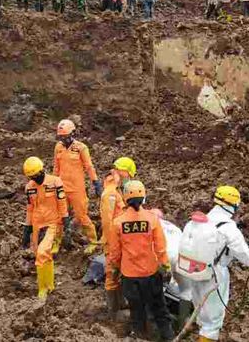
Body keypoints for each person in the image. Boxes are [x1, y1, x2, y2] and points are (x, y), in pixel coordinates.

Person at [186, 186, 249, 341]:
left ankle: (200, 331)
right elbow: (243, 253)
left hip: (194, 269)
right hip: (214, 274)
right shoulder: (228, 227)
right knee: (213, 321)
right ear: (234, 205)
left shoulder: (200, 221)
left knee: (201, 311)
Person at [108, 181, 175, 341]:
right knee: (160, 309)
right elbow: (160, 248)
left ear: (125, 198)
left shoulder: (118, 222)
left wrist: (114, 270)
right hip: (151, 274)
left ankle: (140, 336)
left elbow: (115, 253)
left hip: (130, 276)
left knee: (137, 311)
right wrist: (166, 267)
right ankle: (169, 338)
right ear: (144, 197)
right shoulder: (152, 219)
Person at [22, 156, 68, 300]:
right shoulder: (29, 187)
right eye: (31, 176)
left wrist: (65, 217)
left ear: (42, 170)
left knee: (42, 253)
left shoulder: (55, 182)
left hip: (51, 223)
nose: (35, 178)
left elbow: (61, 201)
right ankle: (49, 285)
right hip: (37, 224)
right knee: (40, 254)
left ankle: (42, 289)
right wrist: (27, 228)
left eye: (36, 175)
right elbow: (30, 208)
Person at [53, 119, 101, 254]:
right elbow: (56, 167)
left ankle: (93, 241)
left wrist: (95, 182)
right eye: (61, 137)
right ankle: (56, 242)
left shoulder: (81, 148)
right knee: (59, 217)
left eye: (65, 136)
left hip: (77, 189)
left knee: (81, 215)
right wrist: (53, 183)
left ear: (72, 134)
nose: (63, 139)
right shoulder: (58, 147)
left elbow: (89, 167)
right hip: (62, 188)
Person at [100, 156, 137, 318]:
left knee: (119, 272)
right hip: (112, 240)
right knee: (112, 272)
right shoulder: (111, 194)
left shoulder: (115, 190)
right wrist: (112, 243)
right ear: (123, 172)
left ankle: (120, 303)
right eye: (128, 175)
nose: (128, 179)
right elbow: (108, 221)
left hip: (118, 238)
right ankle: (114, 311)